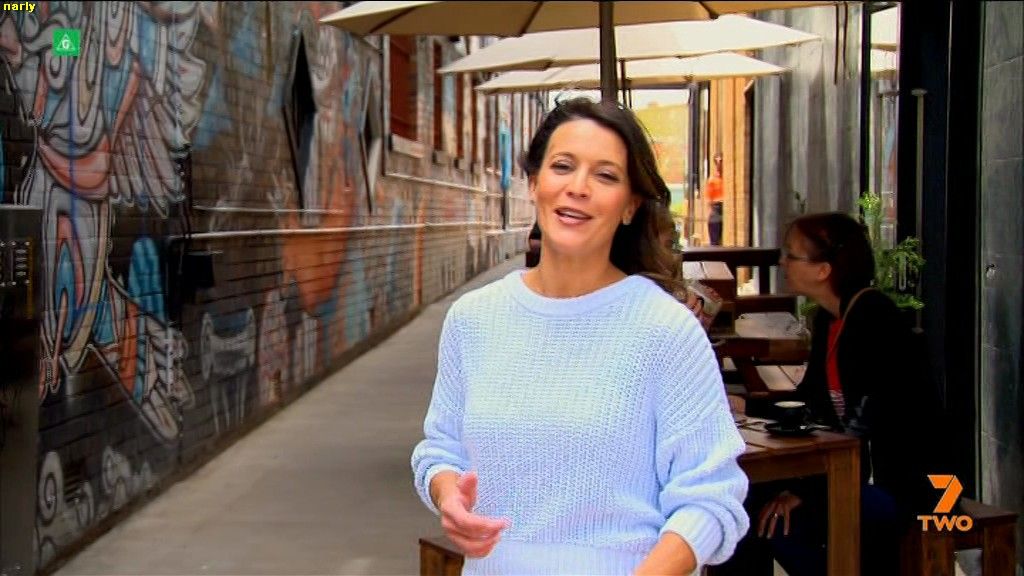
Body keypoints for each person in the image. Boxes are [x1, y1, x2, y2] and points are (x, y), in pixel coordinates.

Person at [411, 97, 749, 575]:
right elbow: (441, 449)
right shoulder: (474, 318)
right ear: (534, 183)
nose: (578, 188)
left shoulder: (666, 330)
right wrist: (449, 496)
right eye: (563, 166)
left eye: (605, 175)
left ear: (630, 205)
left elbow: (711, 498)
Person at [719, 212, 946, 576]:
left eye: (791, 255)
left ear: (823, 270)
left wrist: (807, 491)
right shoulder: (831, 318)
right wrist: (748, 404)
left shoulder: (874, 317)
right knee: (739, 503)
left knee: (781, 522)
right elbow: (809, 402)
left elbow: (868, 423)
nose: (782, 263)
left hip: (905, 484)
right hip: (852, 471)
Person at [705, 153, 724, 246]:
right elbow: (709, 199)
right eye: (717, 162)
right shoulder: (712, 180)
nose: (719, 164)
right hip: (717, 207)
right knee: (715, 238)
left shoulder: (726, 178)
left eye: (721, 161)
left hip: (725, 206)